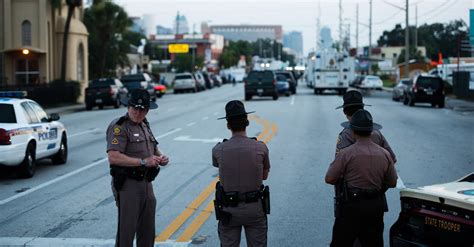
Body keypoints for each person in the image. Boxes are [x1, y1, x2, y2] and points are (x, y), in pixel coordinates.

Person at [106, 89, 169, 247]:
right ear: (128, 106)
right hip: (128, 185)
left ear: (147, 110)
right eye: (135, 108)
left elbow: (153, 146)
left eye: (142, 109)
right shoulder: (119, 126)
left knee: (147, 231)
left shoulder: (144, 124)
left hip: (147, 183)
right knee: (126, 232)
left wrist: (161, 157)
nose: (138, 112)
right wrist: (142, 162)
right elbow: (113, 156)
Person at [325, 109, 398, 247]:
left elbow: (329, 178)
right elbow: (393, 182)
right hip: (375, 206)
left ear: (352, 131)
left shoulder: (346, 154)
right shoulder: (384, 154)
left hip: (350, 206)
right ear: (371, 131)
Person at [212, 100, 271, 247]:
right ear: (247, 122)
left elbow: (220, 168)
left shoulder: (218, 150)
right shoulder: (261, 148)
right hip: (255, 210)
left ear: (228, 125)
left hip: (229, 210)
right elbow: (264, 176)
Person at [335, 90, 396, 162]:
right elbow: (392, 159)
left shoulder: (345, 135)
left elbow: (338, 163)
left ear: (344, 112)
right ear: (363, 109)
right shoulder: (376, 132)